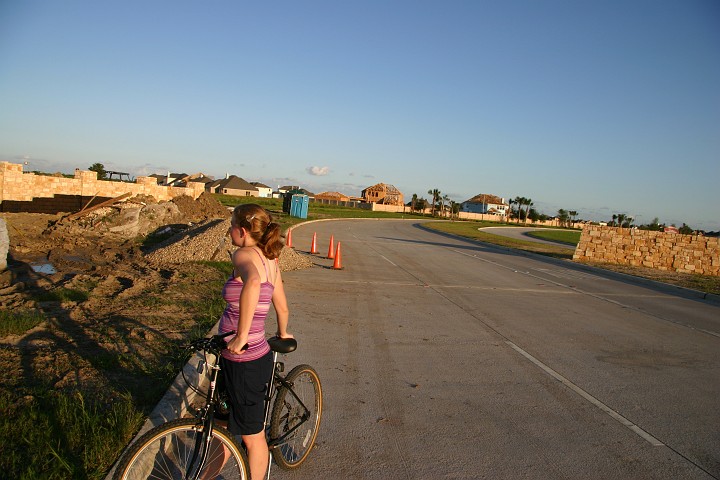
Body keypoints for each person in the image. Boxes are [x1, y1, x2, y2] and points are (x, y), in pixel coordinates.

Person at [219, 203, 292, 479]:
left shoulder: (242, 254)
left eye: (231, 226)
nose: (229, 231)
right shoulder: (271, 260)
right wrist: (283, 332)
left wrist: (241, 336)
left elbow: (251, 284)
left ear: (243, 231)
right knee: (224, 425)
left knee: (253, 436)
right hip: (250, 357)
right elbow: (282, 306)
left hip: (243, 360)